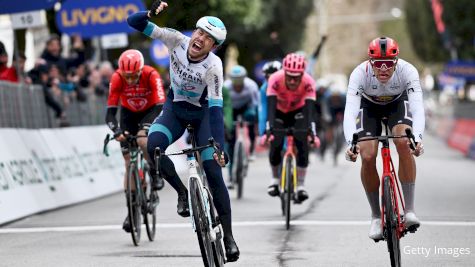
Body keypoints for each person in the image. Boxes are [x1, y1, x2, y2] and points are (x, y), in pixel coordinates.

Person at [127, 0, 240, 261]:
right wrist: (149, 14)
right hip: (175, 110)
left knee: (213, 171)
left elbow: (215, 109)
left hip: (203, 117)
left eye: (208, 38)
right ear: (194, 31)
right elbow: (134, 23)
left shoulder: (213, 66)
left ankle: (229, 236)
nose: (200, 39)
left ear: (215, 46)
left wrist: (219, 145)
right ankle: (182, 193)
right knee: (153, 146)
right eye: (200, 32)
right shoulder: (175, 40)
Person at [344, 37, 425, 240]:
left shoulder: (408, 71)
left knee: (404, 142)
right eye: (378, 64)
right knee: (368, 154)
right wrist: (350, 144)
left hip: (397, 104)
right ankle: (375, 216)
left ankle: (409, 211)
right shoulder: (359, 74)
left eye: (388, 64)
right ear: (370, 62)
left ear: (396, 62)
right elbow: (350, 112)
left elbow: (417, 107)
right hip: (368, 107)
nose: (383, 69)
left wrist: (418, 137)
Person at [105, 49, 166, 233]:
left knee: (141, 140)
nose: (130, 81)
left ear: (140, 70)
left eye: (134, 76)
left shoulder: (151, 74)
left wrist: (146, 128)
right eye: (127, 77)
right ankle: (131, 213)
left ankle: (155, 172)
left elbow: (161, 105)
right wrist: (116, 131)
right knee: (128, 163)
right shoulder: (117, 78)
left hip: (150, 111)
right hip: (128, 114)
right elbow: (110, 112)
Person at [261, 53, 320, 203]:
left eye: (297, 77)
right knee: (276, 141)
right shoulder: (274, 79)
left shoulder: (309, 82)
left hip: (299, 112)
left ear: (303, 74)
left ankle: (300, 185)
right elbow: (270, 108)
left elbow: (310, 112)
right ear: (284, 72)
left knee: (302, 142)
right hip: (279, 111)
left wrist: (312, 133)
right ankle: (274, 179)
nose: (293, 80)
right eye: (290, 76)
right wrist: (269, 130)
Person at [224, 65, 259, 183]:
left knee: (252, 117)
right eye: (235, 81)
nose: (238, 84)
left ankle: (252, 147)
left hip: (246, 108)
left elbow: (255, 105)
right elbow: (223, 105)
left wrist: (254, 121)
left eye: (240, 81)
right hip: (231, 109)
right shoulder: (226, 86)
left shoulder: (251, 86)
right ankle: (230, 176)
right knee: (231, 141)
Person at [259, 60, 282, 136]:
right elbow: (263, 110)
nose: (272, 80)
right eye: (268, 77)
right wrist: (263, 131)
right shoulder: (264, 89)